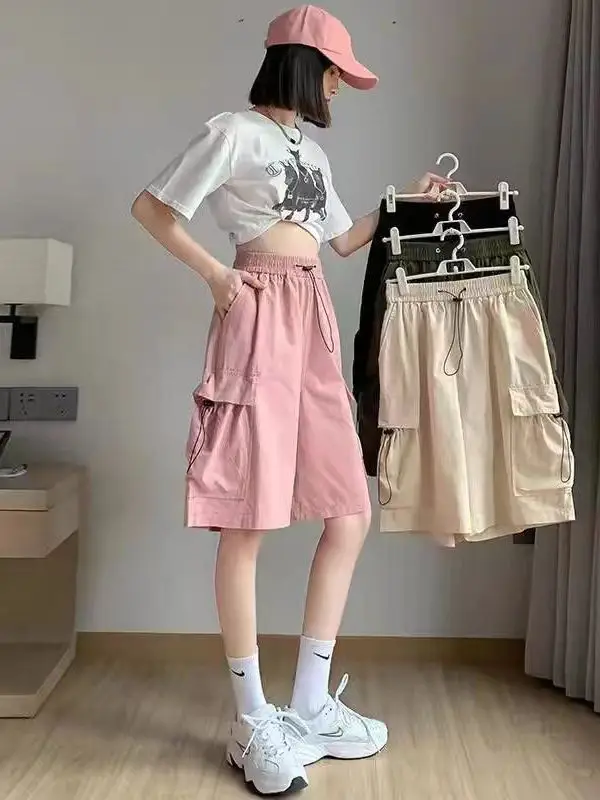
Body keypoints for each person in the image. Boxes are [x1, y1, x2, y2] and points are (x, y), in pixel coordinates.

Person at [132, 5, 446, 795]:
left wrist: (407, 204)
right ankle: (251, 719)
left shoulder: (310, 151)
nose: (340, 86)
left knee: (349, 511)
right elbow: (152, 209)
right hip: (258, 313)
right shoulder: (234, 132)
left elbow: (339, 242)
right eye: (336, 72)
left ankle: (308, 704)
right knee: (249, 519)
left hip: (312, 317)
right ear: (307, 66)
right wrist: (218, 276)